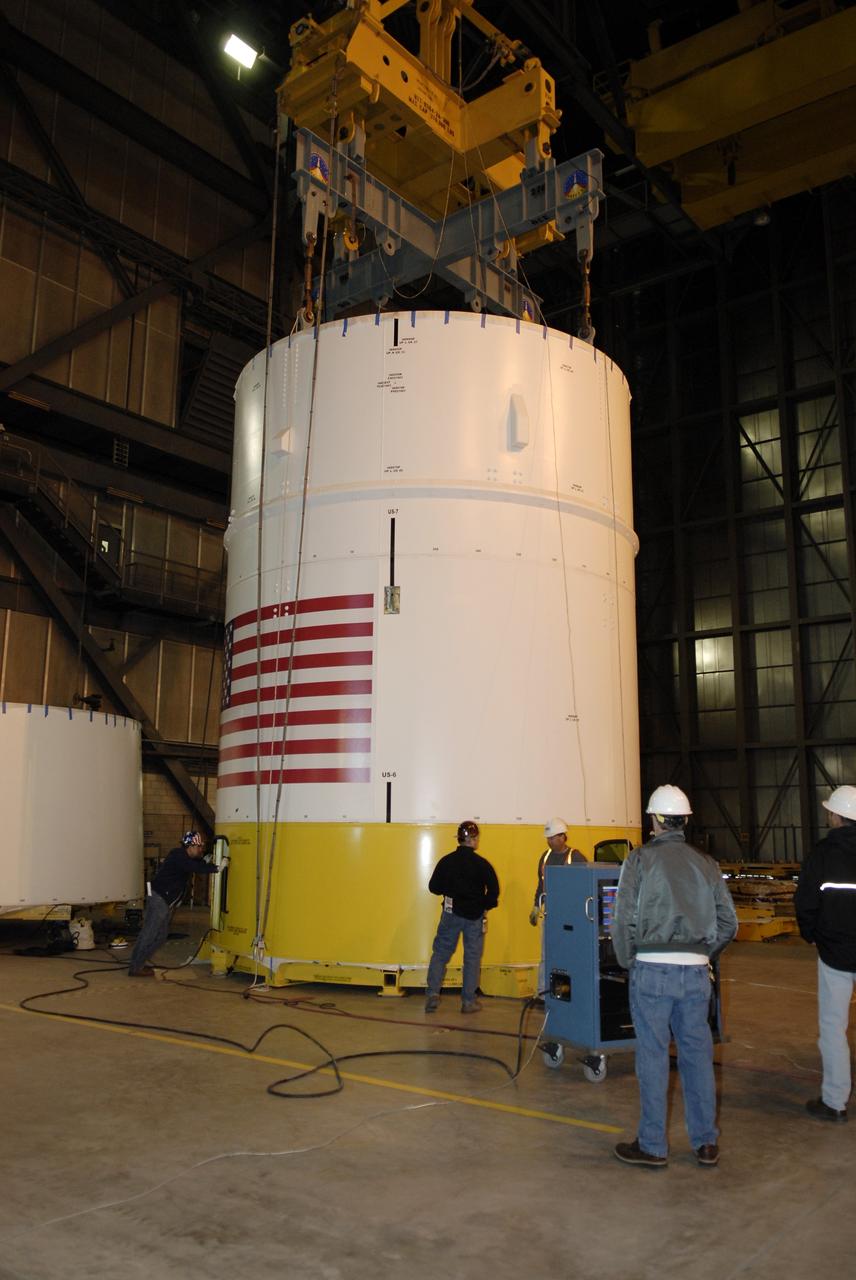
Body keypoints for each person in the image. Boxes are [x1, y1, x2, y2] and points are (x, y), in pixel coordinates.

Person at [610, 785, 738, 1169]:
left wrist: (628, 959)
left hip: (652, 969)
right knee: (698, 1057)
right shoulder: (706, 863)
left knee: (652, 1055)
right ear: (684, 821)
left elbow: (622, 919)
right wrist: (704, 953)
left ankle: (652, 1145)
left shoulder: (639, 861)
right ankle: (706, 1143)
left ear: (654, 820)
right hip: (696, 973)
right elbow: (728, 923)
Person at [794, 784, 856, 1122]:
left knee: (833, 1029)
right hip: (837, 949)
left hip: (834, 955)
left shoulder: (822, 853)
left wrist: (812, 935)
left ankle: (835, 1102)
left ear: (836, 816)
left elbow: (805, 900)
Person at [424, 820, 500, 1014]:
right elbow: (493, 892)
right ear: (473, 840)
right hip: (474, 917)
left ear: (459, 839)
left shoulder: (446, 861)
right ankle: (468, 1002)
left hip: (450, 914)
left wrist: (450, 891)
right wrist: (484, 905)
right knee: (472, 958)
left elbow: (433, 887)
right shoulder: (482, 865)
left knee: (441, 953)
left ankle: (433, 994)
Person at [128, 831, 226, 977]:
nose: (201, 850)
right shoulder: (178, 855)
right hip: (159, 899)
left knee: (160, 936)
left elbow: (195, 863)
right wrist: (217, 868)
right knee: (149, 933)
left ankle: (139, 963)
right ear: (190, 846)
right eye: (199, 847)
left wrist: (206, 861)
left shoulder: (184, 856)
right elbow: (194, 867)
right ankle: (136, 967)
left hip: (164, 901)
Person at [529, 818, 584, 998]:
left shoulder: (575, 857)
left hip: (570, 917)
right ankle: (543, 994)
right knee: (547, 955)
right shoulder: (544, 857)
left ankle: (570, 994)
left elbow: (585, 887)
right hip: (551, 914)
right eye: (548, 838)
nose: (549, 841)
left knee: (569, 955)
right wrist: (536, 906)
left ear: (562, 836)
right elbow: (541, 885)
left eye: (552, 837)